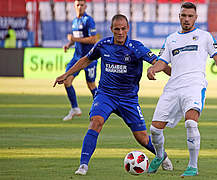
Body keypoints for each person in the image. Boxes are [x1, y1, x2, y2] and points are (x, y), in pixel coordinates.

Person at [54, 14, 173, 176]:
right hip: (106, 95)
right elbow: (86, 59)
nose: (120, 32)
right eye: (117, 29)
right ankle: (83, 165)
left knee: (143, 138)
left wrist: (174, 75)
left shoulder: (136, 47)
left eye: (123, 28)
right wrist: (66, 74)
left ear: (128, 29)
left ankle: (163, 155)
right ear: (111, 29)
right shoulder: (103, 45)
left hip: (128, 99)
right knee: (96, 122)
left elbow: (159, 62)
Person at [146, 2, 217, 177]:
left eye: (190, 16)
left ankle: (193, 166)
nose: (186, 19)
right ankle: (159, 155)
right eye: (183, 15)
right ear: (179, 17)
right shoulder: (171, 39)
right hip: (172, 87)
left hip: (194, 85)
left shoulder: (205, 36)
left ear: (196, 18)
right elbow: (163, 62)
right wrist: (152, 69)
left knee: (191, 122)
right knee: (155, 130)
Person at [62, 0, 98, 121]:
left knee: (91, 85)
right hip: (77, 58)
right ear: (74, 6)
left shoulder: (88, 20)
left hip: (89, 58)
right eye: (77, 5)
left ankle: (100, 109)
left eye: (82, 5)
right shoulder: (75, 21)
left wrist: (74, 39)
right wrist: (69, 44)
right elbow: (76, 38)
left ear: (85, 6)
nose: (80, 7)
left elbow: (93, 39)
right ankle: (75, 108)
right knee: (67, 81)